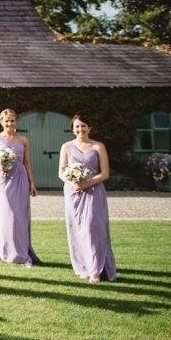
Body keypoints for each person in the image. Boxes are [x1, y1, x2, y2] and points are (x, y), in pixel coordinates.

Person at [58, 113, 117, 283]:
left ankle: (96, 270)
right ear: (73, 129)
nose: (80, 129)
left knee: (93, 228)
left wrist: (87, 183)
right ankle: (82, 266)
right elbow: (61, 172)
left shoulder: (98, 147)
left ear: (89, 128)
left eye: (83, 126)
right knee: (76, 229)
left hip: (93, 191)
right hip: (72, 192)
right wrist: (73, 183)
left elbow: (105, 173)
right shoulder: (66, 147)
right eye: (77, 126)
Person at [0, 108, 40, 266]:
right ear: (1, 122)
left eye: (12, 120)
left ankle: (22, 250)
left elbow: (27, 163)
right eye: (6, 121)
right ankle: (6, 251)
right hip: (3, 179)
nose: (9, 123)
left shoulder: (23, 140)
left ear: (16, 121)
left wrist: (32, 183)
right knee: (6, 214)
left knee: (20, 215)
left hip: (20, 178)